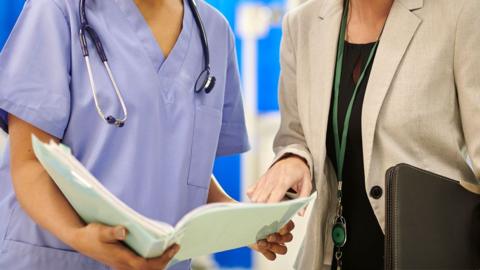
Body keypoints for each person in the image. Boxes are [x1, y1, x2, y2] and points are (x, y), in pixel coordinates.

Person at [0, 0, 293, 269]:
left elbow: (186, 174)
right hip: (57, 256)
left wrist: (244, 226)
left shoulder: (213, 32)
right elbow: (29, 163)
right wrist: (78, 236)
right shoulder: (58, 10)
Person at [248, 0, 480, 269]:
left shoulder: (461, 13)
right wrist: (293, 158)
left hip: (429, 253)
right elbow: (295, 135)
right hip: (331, 256)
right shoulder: (301, 24)